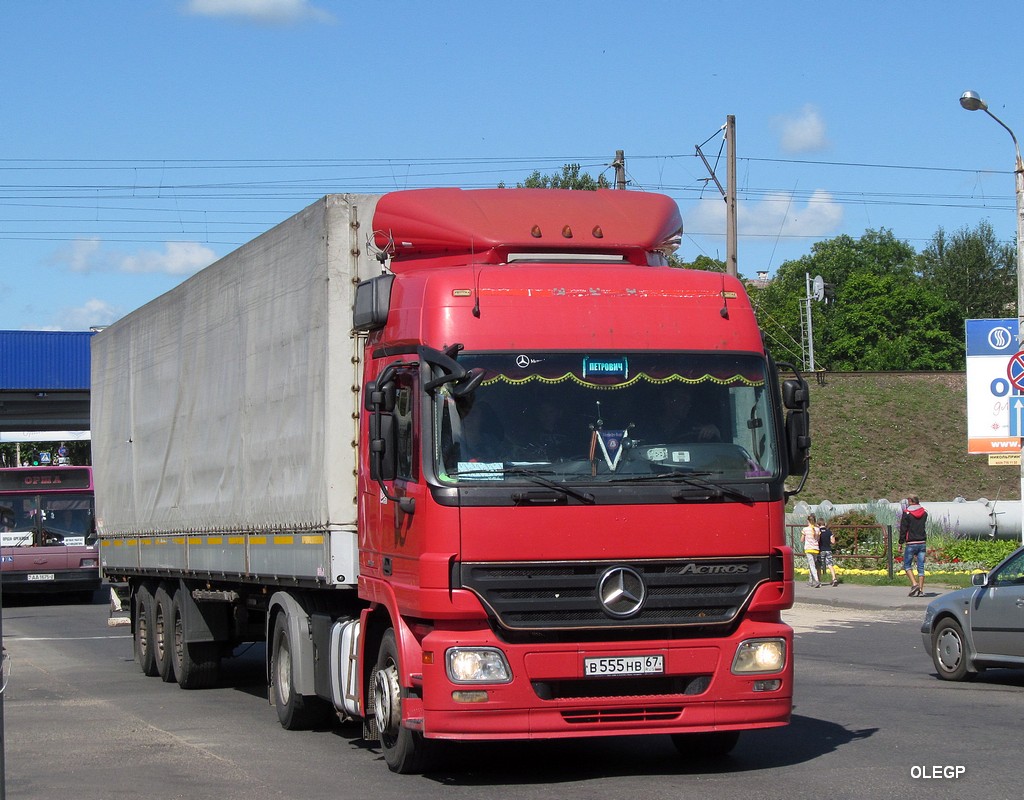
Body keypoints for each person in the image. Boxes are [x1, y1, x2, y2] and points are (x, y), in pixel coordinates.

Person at [899, 495, 928, 597]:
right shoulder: (924, 512)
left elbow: (903, 528)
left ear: (910, 501)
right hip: (922, 542)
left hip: (911, 542)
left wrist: (900, 542)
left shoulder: (907, 513)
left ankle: (914, 584)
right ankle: (920, 590)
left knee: (907, 565)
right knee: (921, 566)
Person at [801, 514, 821, 588]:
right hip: (815, 548)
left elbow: (802, 539)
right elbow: (818, 539)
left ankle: (816, 580)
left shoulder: (805, 529)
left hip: (808, 548)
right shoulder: (817, 529)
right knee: (812, 564)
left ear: (808, 521)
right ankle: (810, 580)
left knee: (812, 565)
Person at [819, 522, 839, 587]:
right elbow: (833, 542)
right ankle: (834, 578)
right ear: (824, 524)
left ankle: (819, 580)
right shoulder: (829, 532)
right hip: (828, 550)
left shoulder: (818, 531)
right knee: (830, 564)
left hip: (821, 550)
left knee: (819, 565)